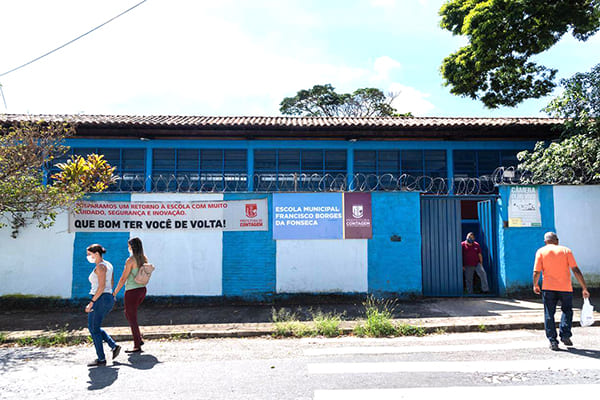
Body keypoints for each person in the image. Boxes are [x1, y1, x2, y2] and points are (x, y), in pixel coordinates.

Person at [533, 231, 590, 351]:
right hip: (565, 288)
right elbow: (575, 270)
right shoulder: (566, 251)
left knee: (549, 314)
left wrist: (535, 285)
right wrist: (584, 287)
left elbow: (536, 271)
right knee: (567, 311)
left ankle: (553, 341)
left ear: (545, 242)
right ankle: (565, 335)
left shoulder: (541, 251)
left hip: (548, 288)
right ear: (557, 241)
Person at [85, 244, 121, 367]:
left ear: (96, 254)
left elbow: (100, 287)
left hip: (100, 298)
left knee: (93, 328)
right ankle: (113, 346)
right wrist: (112, 296)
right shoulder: (108, 264)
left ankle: (101, 359)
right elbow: (111, 282)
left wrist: (92, 302)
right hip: (107, 297)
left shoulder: (100, 267)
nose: (88, 257)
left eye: (89, 254)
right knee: (95, 327)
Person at [113, 237, 148, 353]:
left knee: (132, 317)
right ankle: (139, 338)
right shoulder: (144, 258)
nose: (128, 248)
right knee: (129, 314)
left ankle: (137, 346)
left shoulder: (130, 261)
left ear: (132, 247)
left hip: (132, 291)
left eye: (129, 246)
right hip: (142, 290)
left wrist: (115, 292)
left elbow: (123, 278)